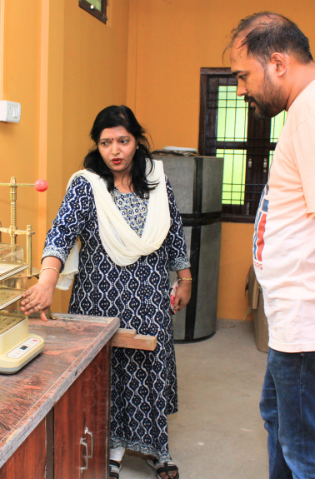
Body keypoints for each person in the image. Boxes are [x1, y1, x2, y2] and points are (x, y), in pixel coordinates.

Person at [21, 105, 191, 479]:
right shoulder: (87, 185)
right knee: (108, 374)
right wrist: (47, 279)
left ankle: (157, 447)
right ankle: (108, 449)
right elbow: (61, 233)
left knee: (149, 367)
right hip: (100, 298)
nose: (115, 150)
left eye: (123, 141)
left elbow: (174, 231)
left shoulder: (156, 180)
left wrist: (185, 279)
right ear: (97, 145)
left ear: (137, 141)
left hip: (150, 297)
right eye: (105, 142)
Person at [229, 12, 315, 479]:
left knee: (308, 455)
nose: (240, 89)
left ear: (278, 63)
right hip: (299, 322)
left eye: (244, 75)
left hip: (312, 323)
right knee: (282, 425)